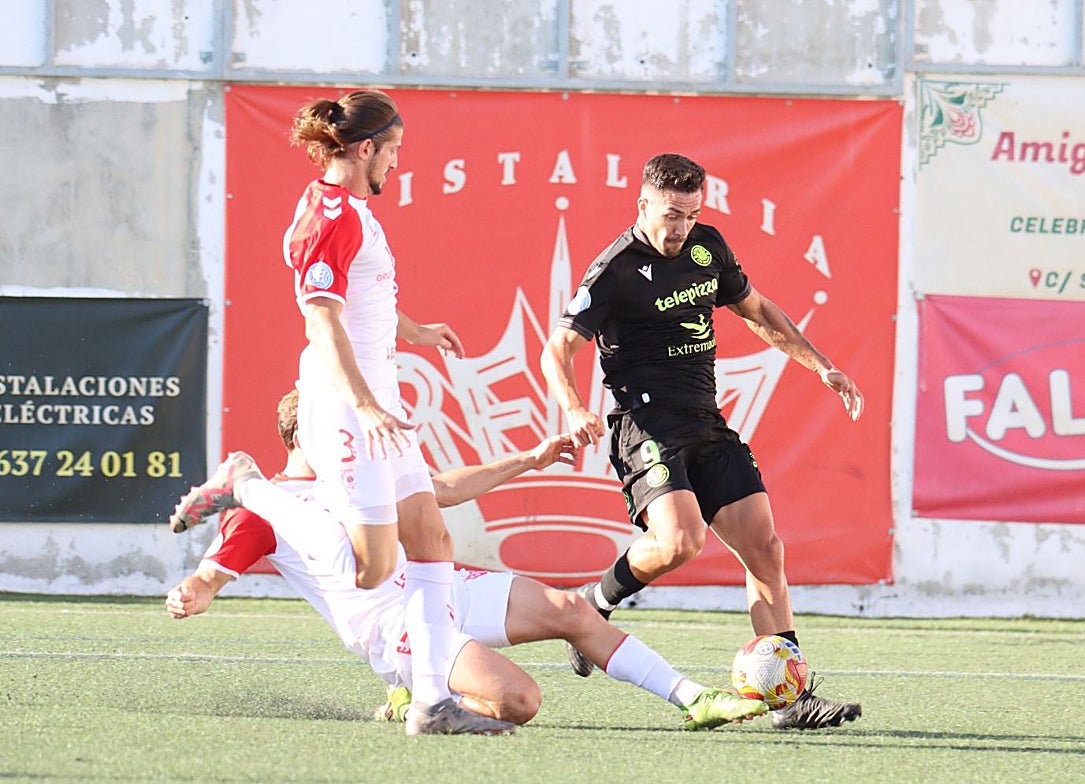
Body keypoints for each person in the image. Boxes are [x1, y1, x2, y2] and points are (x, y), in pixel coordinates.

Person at [165, 392, 768, 733]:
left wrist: (530, 458)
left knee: (570, 610)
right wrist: (194, 589)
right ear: (307, 436)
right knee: (521, 703)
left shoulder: (360, 475)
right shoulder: (271, 507)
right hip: (398, 625)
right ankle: (415, 691)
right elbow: (213, 573)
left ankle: (693, 699)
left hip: (443, 585)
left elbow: (443, 488)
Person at [170, 90, 470, 732]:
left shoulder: (345, 207)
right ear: (366, 149)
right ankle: (246, 482)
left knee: (431, 538)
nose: (396, 162)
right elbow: (321, 320)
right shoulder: (338, 215)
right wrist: (363, 404)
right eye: (393, 151)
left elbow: (364, 298)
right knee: (374, 569)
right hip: (344, 404)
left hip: (375, 399)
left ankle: (430, 702)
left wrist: (413, 332)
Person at [539, 152, 864, 730]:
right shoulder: (614, 270)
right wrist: (572, 406)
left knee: (765, 548)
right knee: (680, 542)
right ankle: (591, 605)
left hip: (705, 421)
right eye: (671, 215)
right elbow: (557, 348)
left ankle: (789, 701)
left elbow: (757, 310)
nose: (681, 228)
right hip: (646, 424)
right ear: (642, 205)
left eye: (691, 214)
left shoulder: (707, 248)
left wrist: (820, 365)